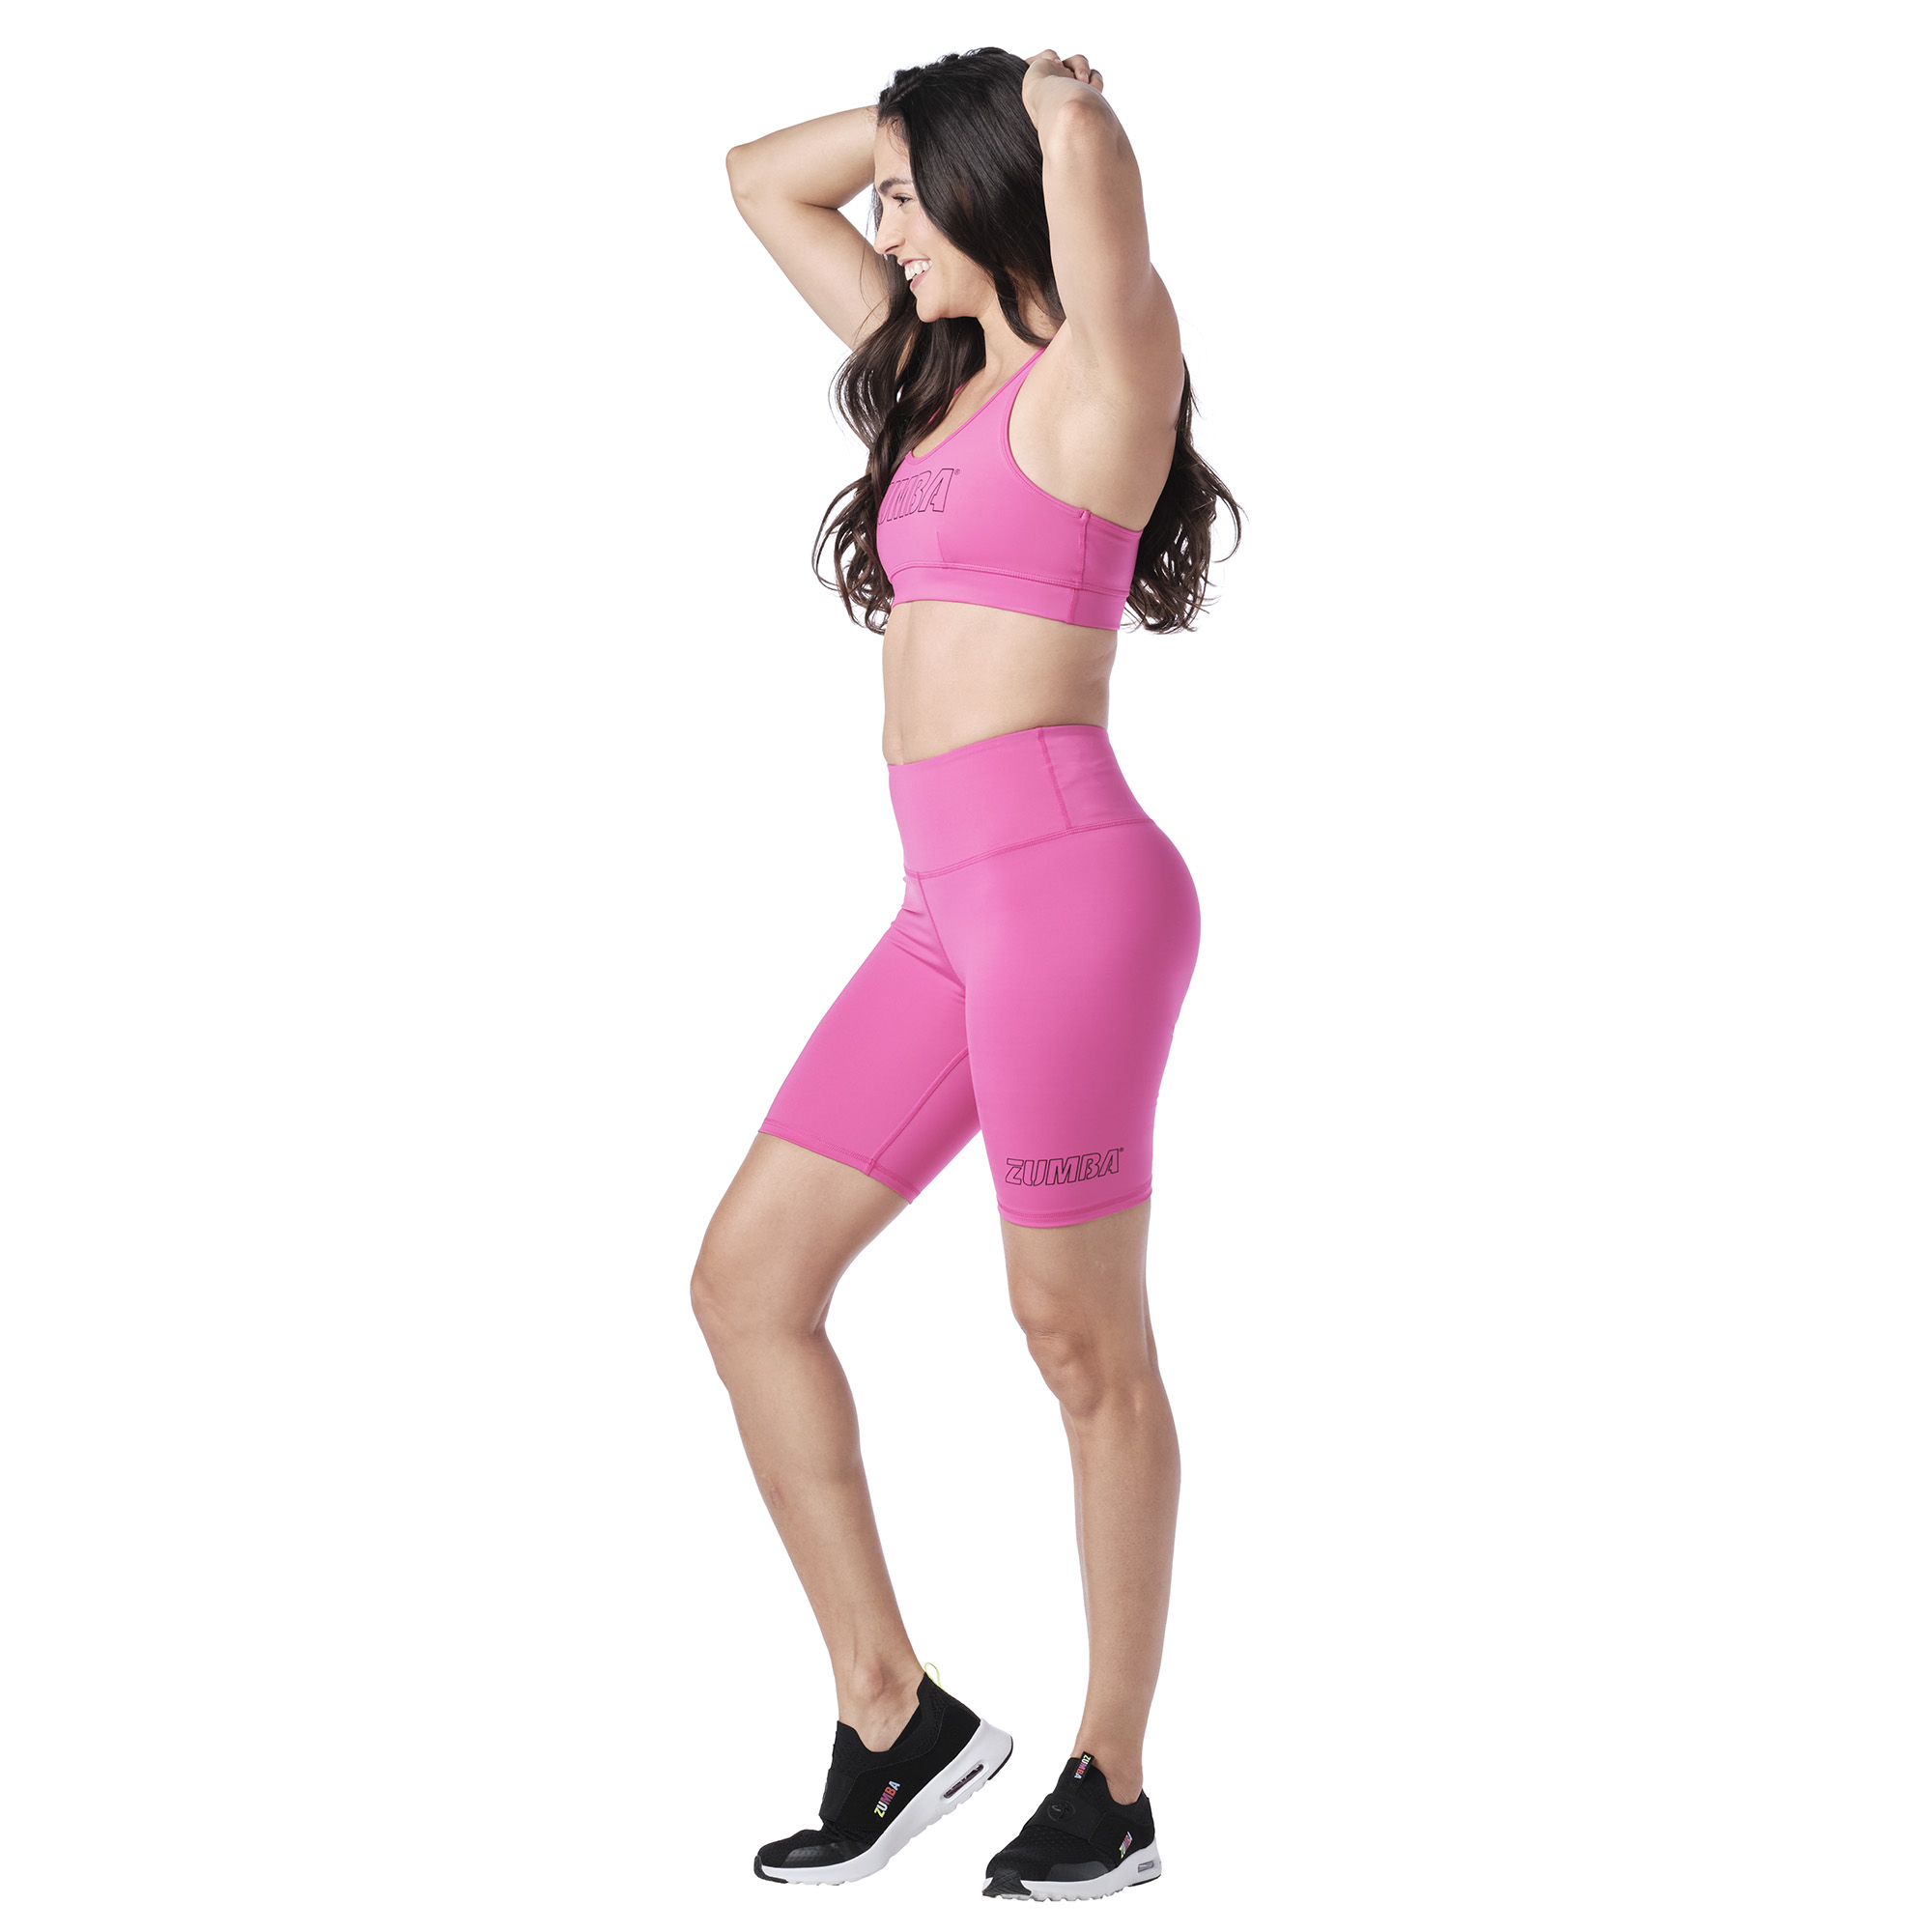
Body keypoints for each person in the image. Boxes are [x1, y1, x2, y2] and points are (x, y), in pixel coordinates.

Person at [693, 45, 1240, 1901]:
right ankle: (894, 1715)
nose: (885, 227)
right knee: (748, 1285)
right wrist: (914, 119)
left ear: (999, 189)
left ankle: (1114, 1778)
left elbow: (1097, 197)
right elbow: (757, 176)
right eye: (889, 202)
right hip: (943, 908)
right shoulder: (930, 378)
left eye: (915, 202)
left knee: (1078, 1341)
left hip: (1073, 902)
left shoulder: (1105, 370)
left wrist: (1045, 103)